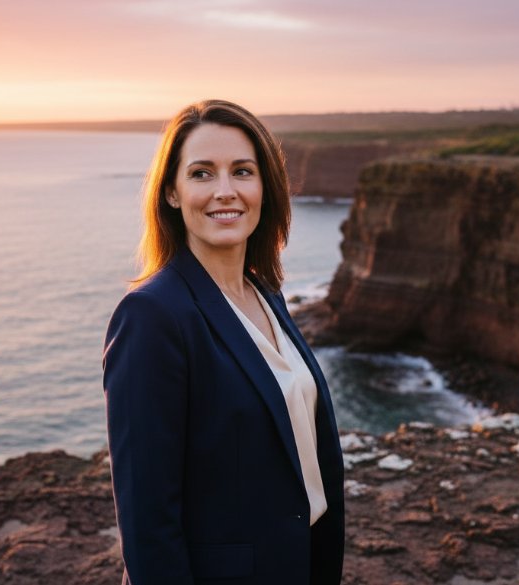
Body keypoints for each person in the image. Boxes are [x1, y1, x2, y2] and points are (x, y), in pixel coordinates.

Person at [102, 99, 345, 585]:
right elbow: (148, 521)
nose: (225, 191)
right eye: (201, 174)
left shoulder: (265, 293)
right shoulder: (152, 315)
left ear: (264, 187)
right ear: (171, 192)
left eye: (242, 171)